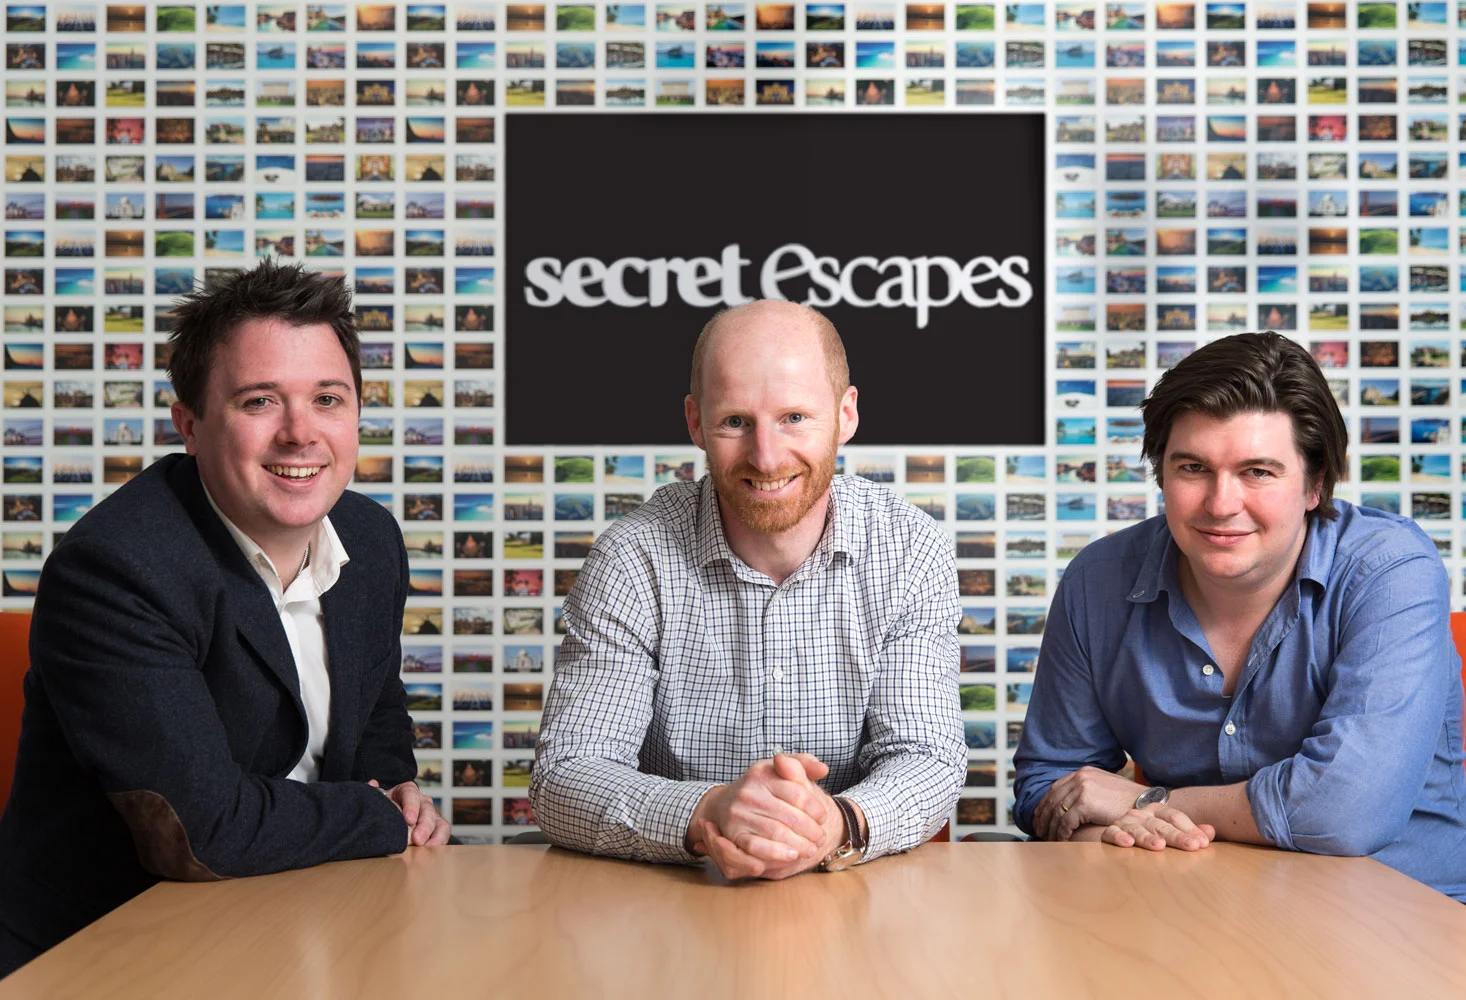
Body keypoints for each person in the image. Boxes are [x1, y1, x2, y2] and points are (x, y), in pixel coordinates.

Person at [0, 261, 448, 976]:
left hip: (301, 918)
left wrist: (397, 788)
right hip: (110, 954)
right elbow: (201, 832)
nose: (301, 434)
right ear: (191, 426)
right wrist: (377, 818)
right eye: (259, 401)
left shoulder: (369, 538)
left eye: (328, 398)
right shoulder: (115, 569)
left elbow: (377, 718)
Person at [1014, 332, 1466, 910]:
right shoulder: (1099, 580)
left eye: (1258, 472)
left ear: (1315, 484)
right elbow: (1053, 786)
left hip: (1409, 914)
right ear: (1160, 474)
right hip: (1193, 910)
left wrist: (1147, 802)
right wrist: (1109, 829)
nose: (1221, 504)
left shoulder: (1390, 570)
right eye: (1193, 467)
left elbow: (1346, 811)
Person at [531, 299, 965, 879]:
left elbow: (927, 758)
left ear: (846, 414)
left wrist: (834, 825)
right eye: (736, 421)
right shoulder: (633, 557)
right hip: (674, 898)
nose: (766, 457)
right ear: (694, 422)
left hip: (854, 894)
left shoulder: (910, 549)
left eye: (794, 417)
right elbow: (566, 774)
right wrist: (707, 814)